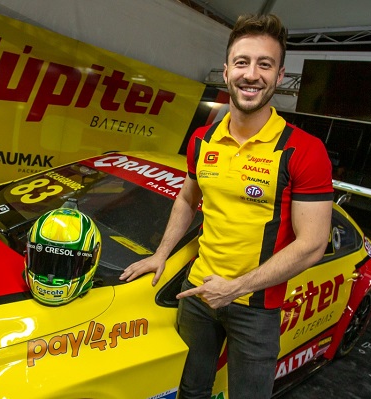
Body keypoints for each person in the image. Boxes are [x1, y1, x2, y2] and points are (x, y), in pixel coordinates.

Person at [120, 14, 334, 399]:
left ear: (280, 75)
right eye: (242, 62)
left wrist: (235, 288)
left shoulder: (304, 150)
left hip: (256, 306)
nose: (252, 74)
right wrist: (161, 254)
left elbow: (313, 243)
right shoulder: (203, 139)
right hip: (198, 293)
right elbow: (188, 198)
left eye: (264, 64)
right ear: (226, 71)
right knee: (190, 392)